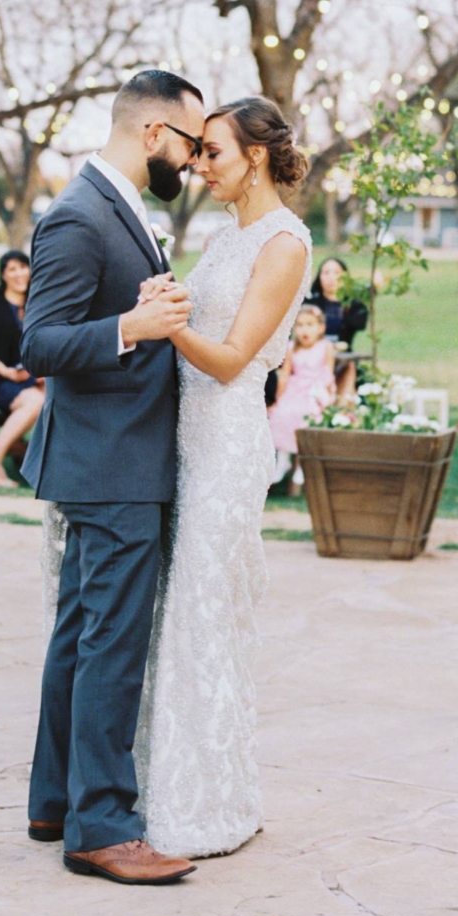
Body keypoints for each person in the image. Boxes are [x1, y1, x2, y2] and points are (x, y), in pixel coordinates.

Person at [22, 68, 204, 887]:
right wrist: (133, 325)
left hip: (113, 454)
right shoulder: (76, 216)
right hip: (110, 461)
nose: (194, 160)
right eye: (191, 144)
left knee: (79, 634)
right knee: (111, 642)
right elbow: (40, 343)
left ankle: (55, 799)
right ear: (153, 134)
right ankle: (102, 824)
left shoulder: (120, 207)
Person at [131, 97, 312, 860]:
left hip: (231, 442)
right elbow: (194, 324)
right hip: (184, 435)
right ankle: (169, 782)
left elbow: (236, 359)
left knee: (204, 611)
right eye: (199, 153)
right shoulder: (220, 234)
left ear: (257, 156)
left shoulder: (285, 243)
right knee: (178, 609)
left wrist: (168, 328)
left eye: (213, 152)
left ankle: (208, 803)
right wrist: (160, 306)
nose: (200, 166)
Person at [0, 249, 42, 489]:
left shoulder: (37, 305)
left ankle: (48, 469)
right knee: (34, 402)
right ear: (3, 274)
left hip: (33, 377)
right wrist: (6, 372)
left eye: (23, 267)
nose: (19, 274)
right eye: (12, 269)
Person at [267, 302, 337, 493]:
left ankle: (301, 465)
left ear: (320, 328)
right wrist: (278, 399)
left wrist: (327, 395)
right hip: (294, 390)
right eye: (300, 325)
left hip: (316, 390)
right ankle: (283, 459)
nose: (305, 330)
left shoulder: (325, 347)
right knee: (282, 414)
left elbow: (328, 372)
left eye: (310, 325)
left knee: (306, 415)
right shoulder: (291, 348)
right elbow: (285, 375)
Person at [307, 256, 368, 400]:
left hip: (343, 358)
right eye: (326, 273)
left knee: (350, 372)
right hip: (313, 359)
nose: (331, 278)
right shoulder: (311, 303)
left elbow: (360, 322)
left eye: (336, 273)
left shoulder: (354, 305)